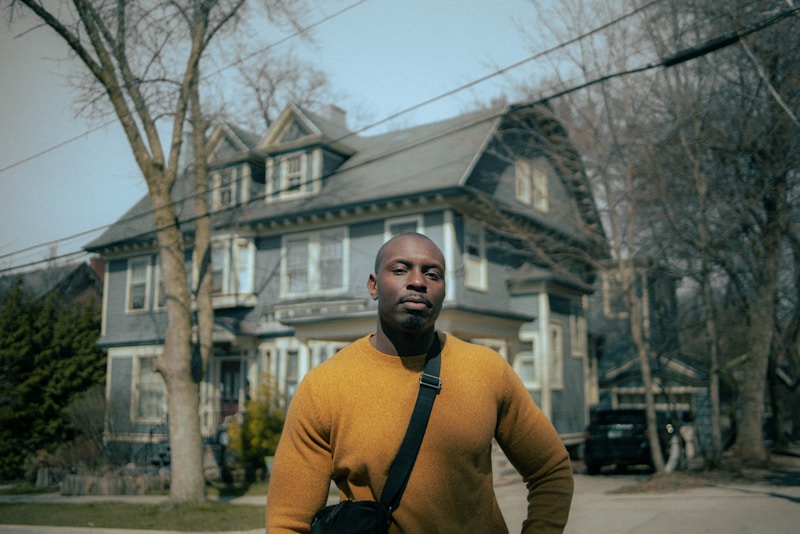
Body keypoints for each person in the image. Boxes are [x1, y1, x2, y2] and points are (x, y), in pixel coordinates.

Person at [266, 233, 573, 533]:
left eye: (432, 274)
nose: (417, 281)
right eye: (400, 270)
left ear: (443, 290)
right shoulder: (323, 388)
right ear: (373, 286)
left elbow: (551, 470)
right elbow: (287, 523)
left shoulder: (487, 370)